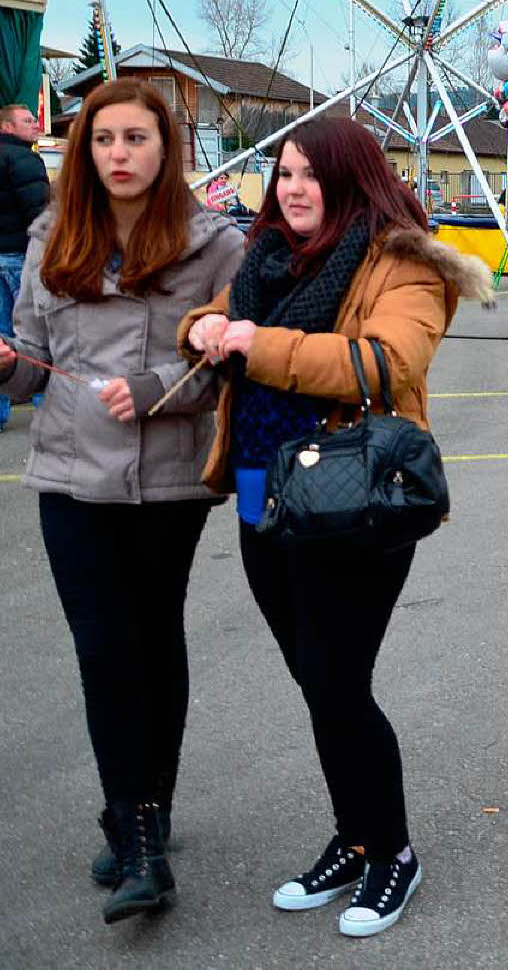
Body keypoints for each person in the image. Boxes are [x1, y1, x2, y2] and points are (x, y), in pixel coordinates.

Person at [179, 117, 492, 938]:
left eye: (311, 174)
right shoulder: (268, 254)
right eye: (284, 173)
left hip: (354, 501)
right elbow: (214, 319)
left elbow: (387, 363)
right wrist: (203, 329)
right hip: (259, 491)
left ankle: (392, 851)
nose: (292, 188)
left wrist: (258, 343)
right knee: (314, 681)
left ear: (353, 177)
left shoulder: (406, 261)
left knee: (337, 683)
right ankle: (355, 836)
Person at [0, 79, 244, 925]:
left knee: (151, 640)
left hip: (165, 480)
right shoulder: (51, 234)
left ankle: (148, 812)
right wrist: (7, 368)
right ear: (83, 148)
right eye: (103, 139)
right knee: (103, 651)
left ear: (164, 147)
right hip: (69, 479)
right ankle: (139, 835)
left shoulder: (214, 246)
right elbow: (35, 357)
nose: (118, 155)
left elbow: (229, 363)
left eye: (135, 138)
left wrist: (152, 388)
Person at [0, 103, 49, 429]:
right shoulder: (24, 159)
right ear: (7, 127)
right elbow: (40, 214)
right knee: (33, 332)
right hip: (19, 255)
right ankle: (47, 406)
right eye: (28, 120)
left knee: (2, 340)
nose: (35, 124)